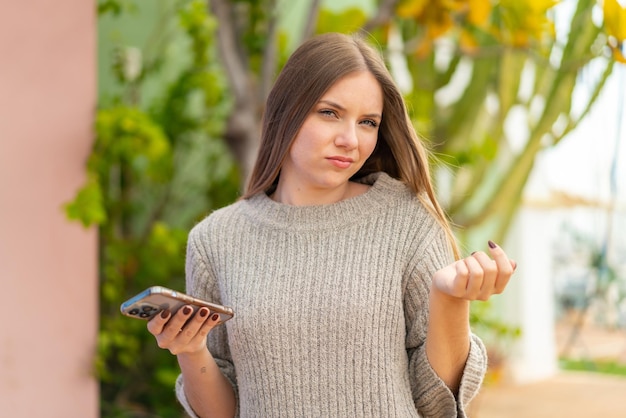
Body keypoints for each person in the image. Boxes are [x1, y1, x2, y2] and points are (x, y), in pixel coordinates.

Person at [147, 32, 516, 418]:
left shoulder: (408, 222)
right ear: (285, 112)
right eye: (329, 113)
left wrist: (450, 299)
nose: (350, 140)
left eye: (368, 122)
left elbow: (437, 403)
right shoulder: (215, 241)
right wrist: (190, 350)